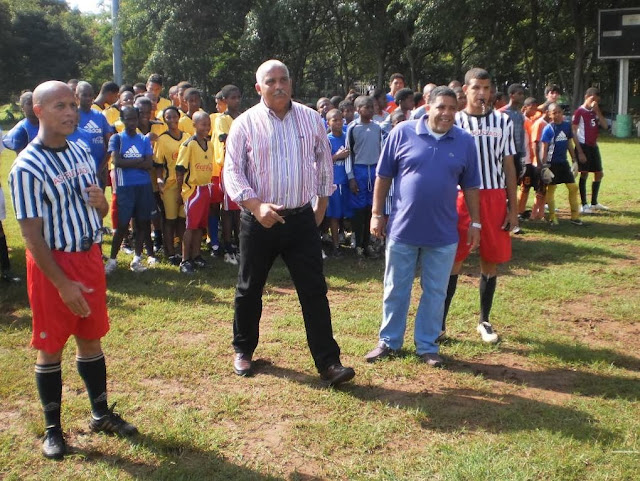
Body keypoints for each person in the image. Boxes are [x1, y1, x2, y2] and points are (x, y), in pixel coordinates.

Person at [8, 81, 138, 460]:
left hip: (88, 256)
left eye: (73, 106)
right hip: (54, 265)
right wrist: (62, 284)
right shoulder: (27, 167)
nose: (69, 112)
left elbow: (93, 207)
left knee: (91, 337)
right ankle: (53, 429)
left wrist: (100, 205)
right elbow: (30, 235)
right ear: (39, 111)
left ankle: (100, 413)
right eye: (59, 106)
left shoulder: (81, 150)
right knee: (50, 348)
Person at [223, 59, 355, 386]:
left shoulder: (311, 119)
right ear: (259, 88)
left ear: (291, 82)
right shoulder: (244, 123)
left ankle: (329, 363)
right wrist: (256, 206)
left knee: (314, 291)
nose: (279, 85)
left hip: (301, 219)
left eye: (284, 79)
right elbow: (232, 172)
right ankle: (243, 350)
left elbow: (325, 164)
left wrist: (321, 209)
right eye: (271, 81)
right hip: (259, 220)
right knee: (249, 288)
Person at [365, 86, 481, 367]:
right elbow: (383, 176)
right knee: (396, 287)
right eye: (441, 107)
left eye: (453, 108)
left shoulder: (464, 141)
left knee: (436, 290)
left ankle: (427, 345)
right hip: (403, 229)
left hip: (443, 233)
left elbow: (471, 186)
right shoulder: (402, 132)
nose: (447, 113)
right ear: (427, 106)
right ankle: (389, 341)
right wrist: (377, 213)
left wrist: (476, 222)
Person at [445, 68, 518, 344]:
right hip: (462, 197)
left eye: (486, 88)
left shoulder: (503, 121)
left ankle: (484, 320)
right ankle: (439, 323)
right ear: (465, 90)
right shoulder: (455, 121)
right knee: (453, 259)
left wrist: (512, 208)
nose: (482, 93)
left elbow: (509, 166)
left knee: (490, 259)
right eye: (476, 87)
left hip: (495, 196)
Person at [105, 106, 157, 274]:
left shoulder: (143, 140)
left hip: (143, 185)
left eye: (134, 118)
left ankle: (137, 259)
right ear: (122, 120)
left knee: (142, 223)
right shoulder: (117, 139)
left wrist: (131, 162)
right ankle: (112, 260)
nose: (131, 122)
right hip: (125, 187)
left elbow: (149, 164)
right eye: (127, 119)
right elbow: (117, 162)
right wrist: (139, 161)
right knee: (122, 224)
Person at [345, 95, 383, 258]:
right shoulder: (353, 128)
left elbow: (382, 151)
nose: (370, 110)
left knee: (370, 208)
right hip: (359, 171)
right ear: (358, 110)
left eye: (371, 107)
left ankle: (367, 244)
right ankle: (358, 244)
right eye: (366, 107)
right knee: (359, 209)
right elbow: (348, 154)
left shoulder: (378, 128)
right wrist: (351, 177)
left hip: (374, 171)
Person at [176, 111, 214, 273]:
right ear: (194, 125)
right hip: (193, 191)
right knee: (190, 226)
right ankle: (185, 260)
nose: (206, 127)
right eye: (202, 124)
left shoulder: (209, 144)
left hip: (206, 188)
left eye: (208, 124)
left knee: (200, 226)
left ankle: (197, 255)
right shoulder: (188, 144)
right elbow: (180, 170)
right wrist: (179, 193)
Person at [154, 106, 189, 265]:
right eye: (168, 117)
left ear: (179, 117)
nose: (172, 120)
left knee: (183, 219)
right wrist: (159, 180)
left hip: (186, 185)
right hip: (170, 186)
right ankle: (170, 252)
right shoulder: (162, 140)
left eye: (174, 116)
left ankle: (183, 251)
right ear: (164, 120)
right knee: (170, 220)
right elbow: (158, 164)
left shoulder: (188, 137)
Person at [213, 85, 243, 265]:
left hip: (243, 166)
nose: (236, 101)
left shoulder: (242, 117)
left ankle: (240, 245)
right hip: (228, 167)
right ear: (224, 100)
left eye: (238, 97)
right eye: (232, 98)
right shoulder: (221, 119)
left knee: (240, 209)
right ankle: (228, 247)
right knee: (227, 211)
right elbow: (226, 138)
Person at [540, 103, 583, 226]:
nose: (557, 115)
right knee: (551, 189)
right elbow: (544, 148)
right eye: (554, 113)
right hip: (551, 164)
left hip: (563, 163)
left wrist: (574, 159)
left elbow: (569, 143)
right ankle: (552, 217)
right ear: (549, 114)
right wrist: (544, 165)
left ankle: (575, 217)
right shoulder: (548, 129)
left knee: (573, 188)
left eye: (559, 112)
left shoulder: (566, 126)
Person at [572, 87, 609, 213]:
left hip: (594, 146)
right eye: (592, 98)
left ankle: (594, 202)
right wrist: (580, 151)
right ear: (586, 97)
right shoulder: (579, 112)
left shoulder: (594, 111)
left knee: (599, 173)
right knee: (584, 173)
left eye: (596, 99)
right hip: (583, 146)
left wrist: (598, 111)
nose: (594, 101)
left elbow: (605, 126)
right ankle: (584, 204)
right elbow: (573, 131)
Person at [76, 82, 113, 188]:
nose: (88, 98)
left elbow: (109, 144)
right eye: (84, 95)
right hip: (79, 170)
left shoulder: (99, 116)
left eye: (90, 95)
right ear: (77, 96)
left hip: (99, 169)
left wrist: (101, 168)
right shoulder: (73, 116)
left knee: (98, 202)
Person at [325, 108, 351, 257]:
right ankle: (335, 246)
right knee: (334, 215)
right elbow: (321, 161)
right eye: (334, 120)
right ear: (328, 122)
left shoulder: (348, 137)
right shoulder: (327, 139)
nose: (338, 122)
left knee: (346, 214)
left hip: (347, 182)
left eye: (340, 119)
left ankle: (348, 239)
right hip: (334, 183)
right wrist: (337, 156)